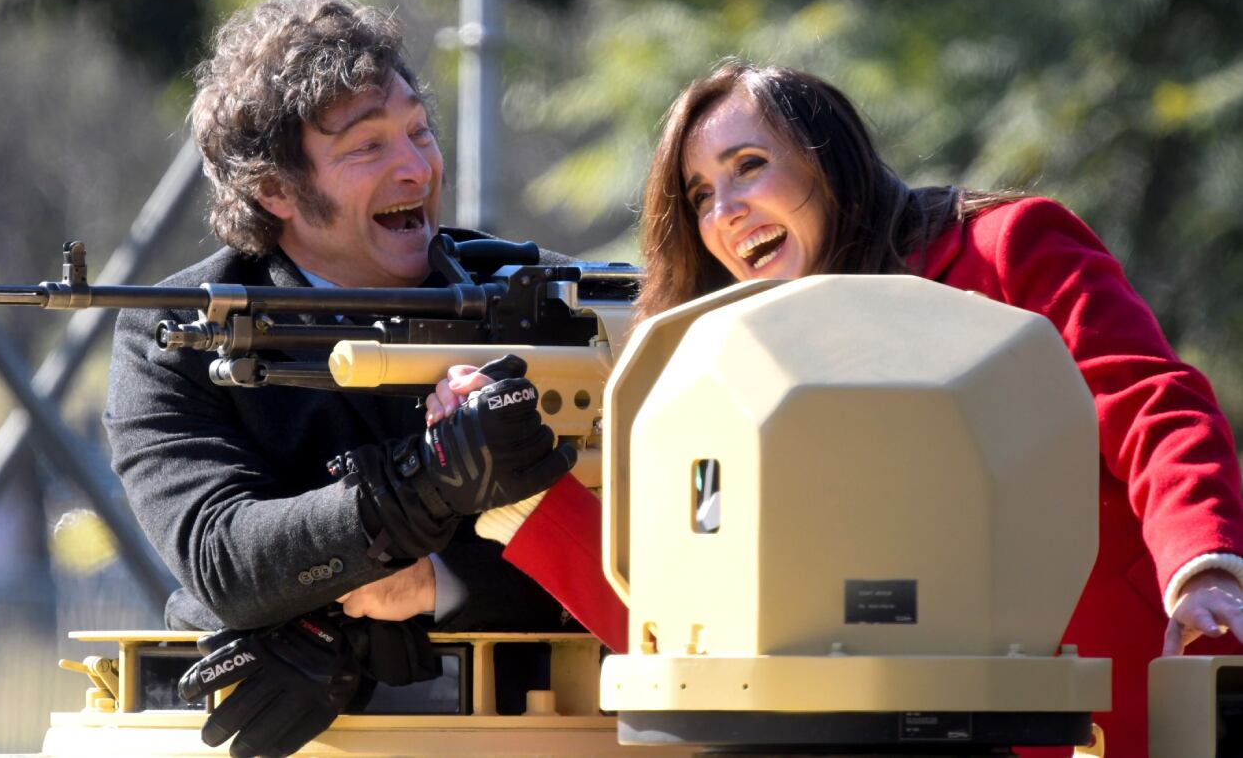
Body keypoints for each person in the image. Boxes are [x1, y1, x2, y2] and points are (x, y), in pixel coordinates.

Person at [439, 60, 1243, 757]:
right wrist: (524, 497)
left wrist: (1202, 563)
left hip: (1107, 705)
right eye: (700, 196)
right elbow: (701, 635)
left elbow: (1150, 404)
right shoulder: (730, 370)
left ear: (832, 159)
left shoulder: (1006, 248)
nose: (726, 211)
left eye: (749, 165)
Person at [103, 0, 577, 757]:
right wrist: (428, 480)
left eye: (420, 132)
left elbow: (641, 553)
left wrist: (428, 585)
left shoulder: (543, 302)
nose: (415, 168)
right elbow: (224, 557)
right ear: (275, 190)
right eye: (367, 148)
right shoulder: (178, 333)